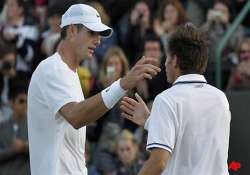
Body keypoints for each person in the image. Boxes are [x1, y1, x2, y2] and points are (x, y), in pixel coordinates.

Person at [27, 4, 161, 175]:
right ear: (73, 30)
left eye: (99, 35)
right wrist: (122, 84)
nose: (98, 40)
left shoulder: (67, 73)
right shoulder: (52, 69)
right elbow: (76, 116)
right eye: (92, 33)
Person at [120, 24, 231, 175]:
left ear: (175, 60)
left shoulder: (166, 100)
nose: (165, 63)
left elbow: (159, 162)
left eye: (167, 57)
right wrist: (150, 121)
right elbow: (192, 137)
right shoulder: (220, 99)